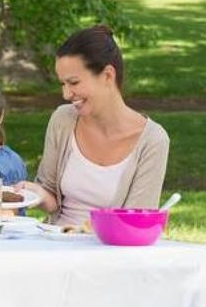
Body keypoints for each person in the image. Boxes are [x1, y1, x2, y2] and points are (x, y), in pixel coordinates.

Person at [17, 25, 169, 226]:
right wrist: (37, 193)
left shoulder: (152, 140)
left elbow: (136, 223)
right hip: (54, 244)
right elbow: (51, 198)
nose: (66, 94)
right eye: (63, 84)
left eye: (73, 82)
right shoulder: (63, 120)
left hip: (111, 251)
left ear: (107, 75)